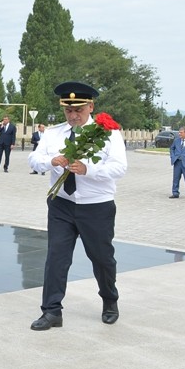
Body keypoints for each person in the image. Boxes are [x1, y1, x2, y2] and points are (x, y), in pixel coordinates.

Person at [28, 82, 128, 331]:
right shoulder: (53, 134)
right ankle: (51, 311)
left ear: (91, 107)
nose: (73, 115)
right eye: (68, 111)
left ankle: (109, 300)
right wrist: (51, 161)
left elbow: (119, 168)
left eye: (79, 110)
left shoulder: (109, 134)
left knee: (102, 258)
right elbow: (35, 159)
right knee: (56, 258)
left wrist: (88, 169)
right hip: (62, 204)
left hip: (96, 206)